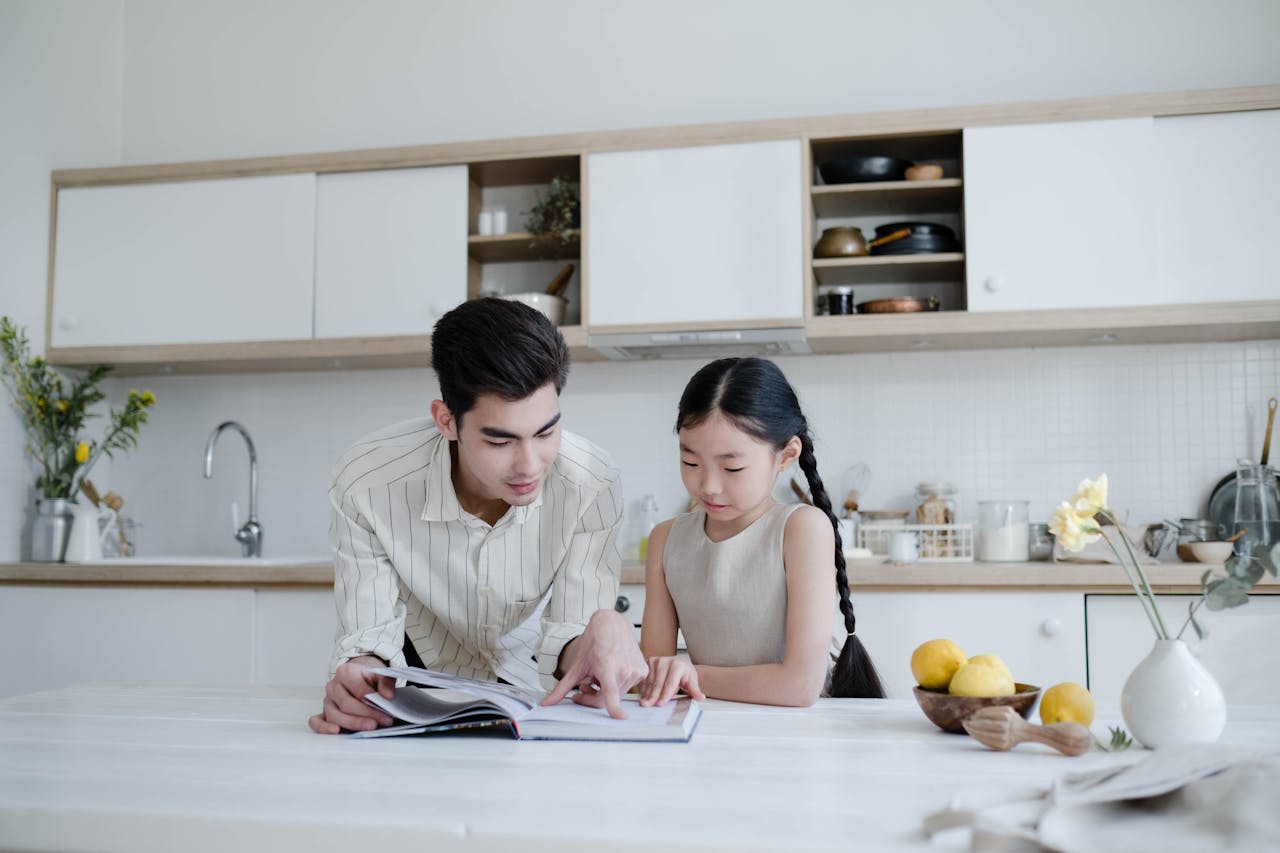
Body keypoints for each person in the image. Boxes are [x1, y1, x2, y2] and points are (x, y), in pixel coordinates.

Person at [309, 298, 646, 734]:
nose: (529, 465)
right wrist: (357, 677)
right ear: (446, 421)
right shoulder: (367, 481)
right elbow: (368, 635)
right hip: (413, 687)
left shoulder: (592, 482)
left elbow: (570, 631)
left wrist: (602, 633)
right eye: (500, 442)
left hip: (530, 683)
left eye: (546, 432)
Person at [637, 356, 885, 707]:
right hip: (708, 727)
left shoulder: (802, 530)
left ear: (785, 456)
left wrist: (691, 675)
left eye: (732, 467)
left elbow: (799, 686)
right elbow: (653, 674)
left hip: (796, 735)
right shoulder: (666, 539)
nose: (708, 486)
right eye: (690, 462)